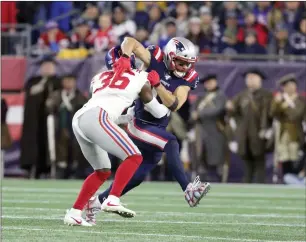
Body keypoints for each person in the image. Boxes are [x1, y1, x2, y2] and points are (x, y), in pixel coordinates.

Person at [84, 37, 211, 225]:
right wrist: (126, 57)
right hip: (140, 124)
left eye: (188, 63)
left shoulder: (188, 79)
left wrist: (158, 85)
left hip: (158, 126)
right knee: (171, 142)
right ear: (168, 56)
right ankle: (188, 190)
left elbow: (175, 104)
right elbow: (130, 41)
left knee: (138, 176)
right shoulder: (155, 58)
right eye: (180, 62)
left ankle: (95, 203)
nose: (184, 67)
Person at [64, 67, 171, 226]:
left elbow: (108, 105)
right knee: (134, 156)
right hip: (98, 117)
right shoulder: (141, 77)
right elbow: (159, 112)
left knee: (102, 171)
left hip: (80, 118)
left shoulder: (99, 76)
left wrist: (127, 117)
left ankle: (74, 213)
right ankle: (112, 199)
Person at [226, 69, 272, 183]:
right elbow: (233, 115)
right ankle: (247, 184)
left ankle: (260, 186)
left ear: (259, 79)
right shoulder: (241, 96)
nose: (250, 80)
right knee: (247, 165)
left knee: (260, 164)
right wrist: (230, 108)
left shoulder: (267, 95)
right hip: (244, 136)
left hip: (260, 135)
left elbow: (271, 115)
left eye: (253, 77)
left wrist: (268, 130)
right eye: (248, 78)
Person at [20, 58, 62, 178]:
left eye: (50, 67)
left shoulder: (57, 82)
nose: (47, 69)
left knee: (50, 142)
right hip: (34, 120)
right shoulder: (33, 81)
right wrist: (42, 83)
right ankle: (31, 168)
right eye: (45, 67)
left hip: (49, 119)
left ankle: (49, 168)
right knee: (32, 143)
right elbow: (30, 94)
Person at [45, 75, 88, 179]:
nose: (68, 83)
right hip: (60, 126)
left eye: (71, 81)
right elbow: (48, 107)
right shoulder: (56, 95)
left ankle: (75, 169)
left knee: (76, 147)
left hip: (75, 126)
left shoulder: (80, 96)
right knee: (60, 148)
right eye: (66, 81)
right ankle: (60, 170)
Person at [190, 75, 227, 182]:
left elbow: (217, 110)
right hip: (201, 133)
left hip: (215, 133)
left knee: (216, 162)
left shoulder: (220, 96)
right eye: (206, 82)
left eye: (210, 82)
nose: (208, 84)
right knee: (201, 162)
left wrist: (200, 114)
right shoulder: (201, 97)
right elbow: (193, 111)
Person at [270, 74, 306, 179]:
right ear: (283, 87)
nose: (290, 88)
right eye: (287, 85)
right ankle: (287, 178)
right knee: (284, 159)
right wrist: (276, 103)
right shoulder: (279, 99)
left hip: (296, 133)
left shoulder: (301, 100)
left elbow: (299, 114)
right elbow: (273, 114)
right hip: (283, 134)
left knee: (296, 159)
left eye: (292, 85)